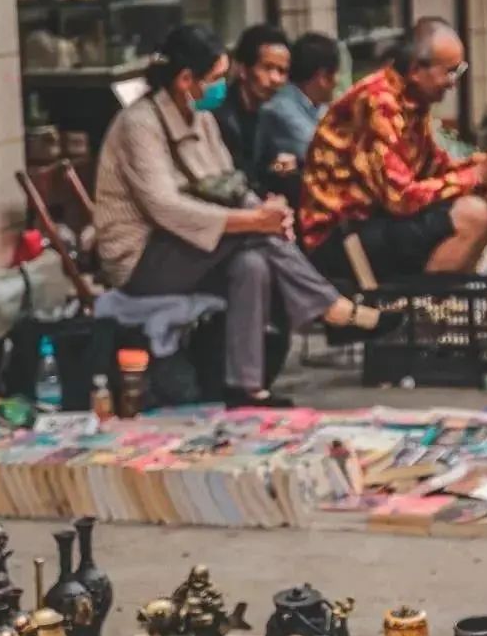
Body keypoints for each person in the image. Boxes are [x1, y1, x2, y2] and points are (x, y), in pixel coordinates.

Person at [94, 25, 401, 408]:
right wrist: (253, 222)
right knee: (252, 235)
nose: (221, 86)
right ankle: (331, 307)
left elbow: (231, 185)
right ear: (186, 79)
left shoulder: (201, 118)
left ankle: (246, 387)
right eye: (215, 78)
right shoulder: (139, 124)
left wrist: (267, 213)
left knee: (252, 263)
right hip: (141, 259)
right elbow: (165, 207)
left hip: (189, 249)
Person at [299, 18, 487, 283]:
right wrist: (478, 173)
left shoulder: (414, 99)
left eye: (459, 71)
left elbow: (433, 166)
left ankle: (454, 287)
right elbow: (401, 198)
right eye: (449, 72)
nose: (453, 83)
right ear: (417, 70)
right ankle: (432, 303)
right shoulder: (378, 102)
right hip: (340, 235)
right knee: (471, 214)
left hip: (377, 219)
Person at [254, 31, 341, 203]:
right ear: (323, 77)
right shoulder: (279, 110)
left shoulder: (320, 106)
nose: (338, 82)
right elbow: (322, 150)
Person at [215, 24, 291, 180]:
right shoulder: (220, 117)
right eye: (267, 68)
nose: (275, 79)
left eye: (282, 71)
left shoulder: (269, 115)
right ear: (243, 69)